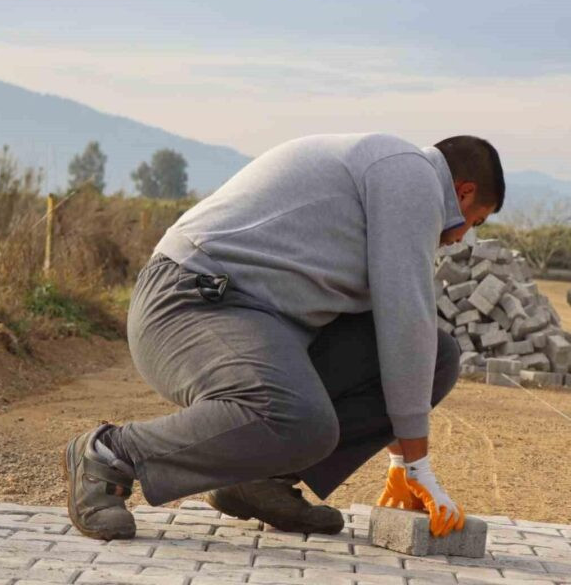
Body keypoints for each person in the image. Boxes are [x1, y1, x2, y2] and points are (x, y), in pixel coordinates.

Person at [63, 133, 505, 541]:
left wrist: (398, 460)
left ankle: (258, 480)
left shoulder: (391, 190)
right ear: (462, 192)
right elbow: (409, 317)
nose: (461, 237)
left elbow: (395, 344)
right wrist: (417, 467)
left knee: (438, 357)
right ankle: (110, 453)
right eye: (474, 220)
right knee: (299, 418)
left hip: (266, 321)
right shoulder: (412, 175)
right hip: (192, 299)